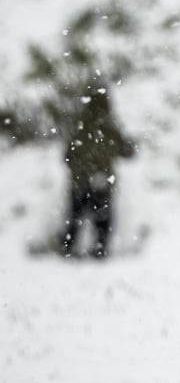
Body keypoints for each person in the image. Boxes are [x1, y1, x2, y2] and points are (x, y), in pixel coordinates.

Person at [1, 74, 136, 259]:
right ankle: (100, 249)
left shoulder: (80, 126)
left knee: (75, 217)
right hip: (102, 180)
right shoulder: (110, 128)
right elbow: (127, 152)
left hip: (80, 180)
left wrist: (79, 168)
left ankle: (69, 248)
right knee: (102, 218)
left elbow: (67, 155)